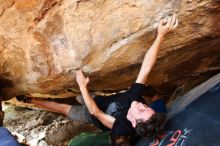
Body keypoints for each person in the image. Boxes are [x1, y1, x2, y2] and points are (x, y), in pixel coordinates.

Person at [16, 15, 178, 138]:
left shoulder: (121, 127)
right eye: (147, 106)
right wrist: (161, 36)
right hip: (98, 99)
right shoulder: (136, 100)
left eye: (142, 110)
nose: (142, 104)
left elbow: (95, 112)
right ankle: (73, 93)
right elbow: (146, 69)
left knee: (63, 108)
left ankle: (31, 100)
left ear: (134, 122)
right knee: (78, 95)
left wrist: (82, 86)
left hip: (90, 115)